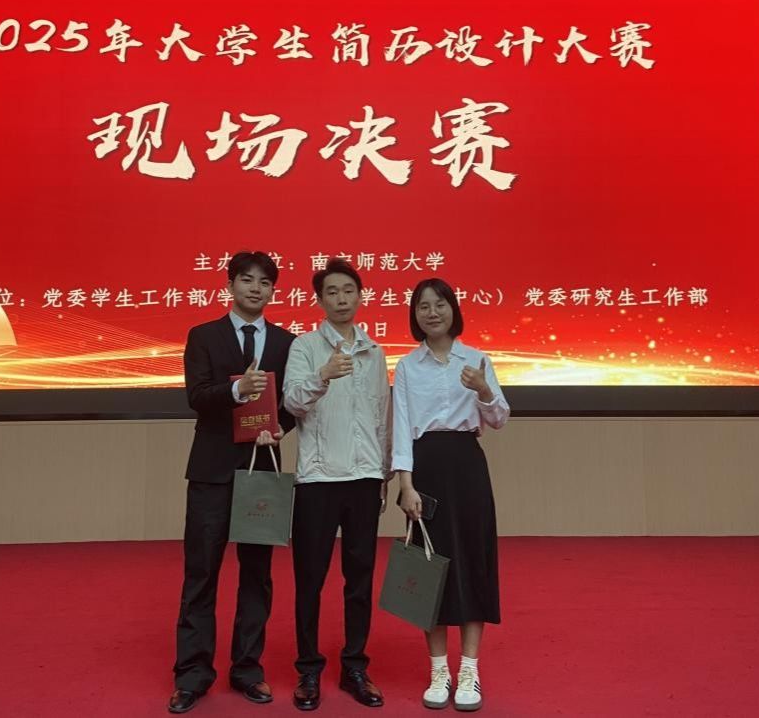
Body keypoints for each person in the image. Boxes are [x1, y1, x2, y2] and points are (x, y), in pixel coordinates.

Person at [169, 251, 297, 714]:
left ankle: (247, 668)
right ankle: (192, 674)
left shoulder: (287, 342)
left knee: (257, 575)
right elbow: (197, 396)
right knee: (201, 574)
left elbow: (291, 404)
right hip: (211, 472)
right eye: (247, 280)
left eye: (264, 282)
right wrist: (238, 390)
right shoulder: (203, 335)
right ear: (230, 285)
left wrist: (279, 428)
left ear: (273, 291)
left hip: (262, 470)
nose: (255, 289)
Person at [392, 278, 510, 712]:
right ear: (415, 315)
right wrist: (405, 484)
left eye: (439, 304)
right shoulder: (407, 366)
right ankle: (439, 670)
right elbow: (401, 428)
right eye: (423, 306)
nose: (432, 312)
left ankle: (469, 671)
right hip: (425, 469)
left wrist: (483, 389)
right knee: (430, 569)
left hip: (467, 467)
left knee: (473, 562)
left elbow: (499, 418)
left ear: (453, 309)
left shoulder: (476, 359)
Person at [283, 259, 391, 711]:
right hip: (318, 480)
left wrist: (384, 473)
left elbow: (382, 417)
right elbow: (292, 401)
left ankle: (354, 667)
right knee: (309, 579)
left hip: (364, 480)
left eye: (349, 290)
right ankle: (308, 670)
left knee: (360, 579)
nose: (342, 299)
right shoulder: (305, 346)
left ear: (360, 296)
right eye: (332, 291)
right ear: (320, 300)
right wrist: (322, 376)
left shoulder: (375, 351)